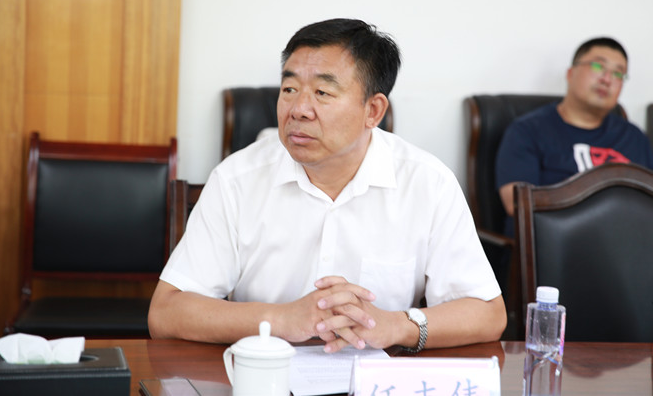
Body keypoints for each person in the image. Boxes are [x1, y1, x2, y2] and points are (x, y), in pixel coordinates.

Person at [149, 18, 506, 353]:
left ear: (373, 111)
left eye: (322, 92)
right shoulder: (237, 179)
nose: (298, 109)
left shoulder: (427, 182)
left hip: (378, 380)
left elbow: (488, 313)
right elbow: (166, 312)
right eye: (289, 89)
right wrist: (281, 320)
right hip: (265, 377)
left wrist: (398, 326)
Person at [496, 37, 653, 220]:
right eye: (598, 66)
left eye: (618, 74)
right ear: (570, 73)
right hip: (558, 236)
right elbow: (517, 205)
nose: (607, 79)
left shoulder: (633, 137)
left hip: (625, 235)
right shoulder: (527, 131)